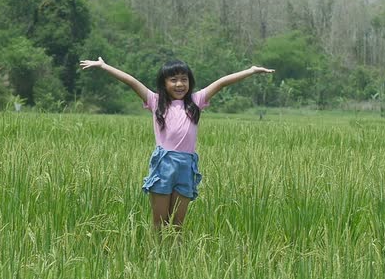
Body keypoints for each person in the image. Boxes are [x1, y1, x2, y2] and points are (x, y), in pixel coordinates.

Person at [79, 57, 274, 230]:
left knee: (177, 225)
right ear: (164, 83)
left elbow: (222, 83)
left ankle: (175, 260)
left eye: (184, 79)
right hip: (164, 164)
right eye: (173, 80)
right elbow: (131, 81)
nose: (179, 84)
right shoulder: (155, 102)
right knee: (159, 223)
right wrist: (103, 66)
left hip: (186, 166)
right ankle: (155, 259)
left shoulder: (196, 101)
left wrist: (251, 71)